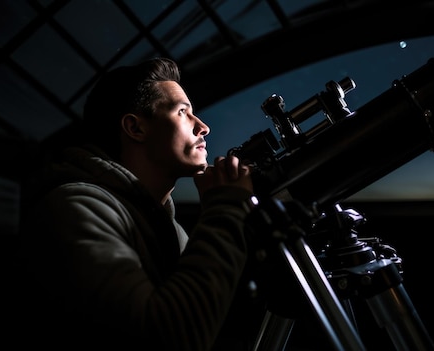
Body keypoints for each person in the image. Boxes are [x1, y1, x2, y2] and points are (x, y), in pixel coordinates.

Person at [19, 57, 260, 351]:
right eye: (183, 112)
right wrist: (226, 207)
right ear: (135, 128)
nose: (203, 127)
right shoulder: (73, 208)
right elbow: (164, 337)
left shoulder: (173, 231)